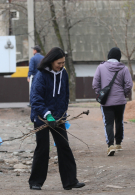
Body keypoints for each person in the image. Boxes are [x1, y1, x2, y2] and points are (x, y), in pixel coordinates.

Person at [29, 47, 85, 191]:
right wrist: (47, 115)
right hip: (42, 117)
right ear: (52, 61)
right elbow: (35, 99)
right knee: (42, 149)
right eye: (59, 63)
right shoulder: (41, 75)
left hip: (58, 118)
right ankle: (36, 182)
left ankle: (70, 181)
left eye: (63, 62)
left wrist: (62, 116)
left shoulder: (64, 74)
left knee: (64, 147)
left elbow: (64, 96)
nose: (61, 65)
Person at [92, 47, 133, 156]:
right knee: (119, 121)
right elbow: (129, 84)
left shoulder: (101, 67)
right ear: (119, 57)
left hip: (106, 102)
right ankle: (118, 143)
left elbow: (95, 84)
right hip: (120, 101)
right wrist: (123, 93)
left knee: (108, 123)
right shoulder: (124, 68)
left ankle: (110, 145)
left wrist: (101, 93)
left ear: (109, 56)